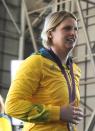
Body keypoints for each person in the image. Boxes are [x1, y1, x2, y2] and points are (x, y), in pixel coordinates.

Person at [5, 10, 84, 131]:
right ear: (50, 33)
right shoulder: (35, 63)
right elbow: (12, 106)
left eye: (75, 29)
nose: (73, 33)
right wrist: (58, 113)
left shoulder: (75, 69)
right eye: (67, 28)